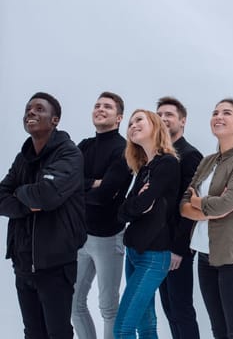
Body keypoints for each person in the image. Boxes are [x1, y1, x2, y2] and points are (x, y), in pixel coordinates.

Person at [0, 92, 86, 338]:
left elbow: (46, 195)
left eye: (39, 109)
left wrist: (19, 193)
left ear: (55, 120)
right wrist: (27, 200)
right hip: (23, 261)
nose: (31, 113)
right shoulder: (23, 158)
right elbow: (1, 198)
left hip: (55, 264)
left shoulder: (69, 154)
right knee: (33, 332)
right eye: (28, 109)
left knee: (57, 332)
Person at [181, 98, 233, 339]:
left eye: (226, 113)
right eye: (215, 112)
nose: (218, 117)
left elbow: (224, 204)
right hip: (206, 253)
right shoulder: (207, 161)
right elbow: (183, 205)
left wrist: (197, 202)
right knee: (218, 328)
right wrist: (204, 207)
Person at [114, 109, 181, 338]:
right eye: (130, 122)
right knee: (146, 325)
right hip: (133, 252)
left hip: (153, 255)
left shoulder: (168, 163)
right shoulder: (144, 169)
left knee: (122, 329)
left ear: (155, 125)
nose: (133, 125)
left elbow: (140, 204)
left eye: (139, 120)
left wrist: (137, 204)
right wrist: (137, 204)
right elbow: (123, 212)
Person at [72, 92, 133, 339]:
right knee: (73, 303)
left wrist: (82, 187)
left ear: (118, 117)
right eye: (97, 105)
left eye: (107, 107)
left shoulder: (124, 150)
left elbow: (105, 195)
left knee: (108, 307)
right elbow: (64, 183)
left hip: (108, 237)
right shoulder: (85, 145)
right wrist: (91, 183)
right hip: (80, 236)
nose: (100, 109)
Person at [156, 97, 203, 339]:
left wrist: (179, 248)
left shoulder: (190, 155)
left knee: (181, 309)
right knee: (169, 309)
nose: (163, 119)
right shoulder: (160, 155)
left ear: (182, 121)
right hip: (159, 246)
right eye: (160, 114)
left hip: (177, 248)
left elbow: (190, 209)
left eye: (169, 115)